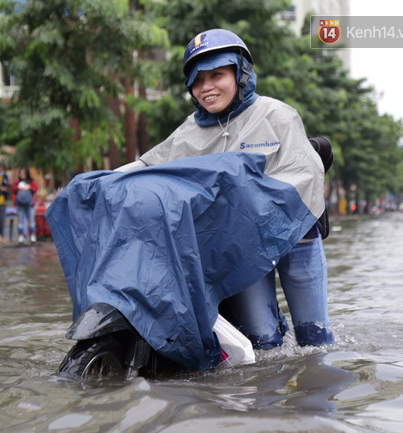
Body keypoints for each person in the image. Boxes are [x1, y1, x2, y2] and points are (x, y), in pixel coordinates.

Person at [118, 28, 334, 348]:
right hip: (242, 249)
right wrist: (103, 180)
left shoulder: (277, 115)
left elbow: (303, 174)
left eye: (216, 74)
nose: (206, 87)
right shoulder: (187, 134)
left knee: (315, 339)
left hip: (297, 238)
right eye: (198, 80)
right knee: (262, 342)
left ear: (241, 72)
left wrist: (252, 199)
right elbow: (150, 166)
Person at [13, 167, 38, 244]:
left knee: (31, 221)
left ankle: (33, 235)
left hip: (29, 204)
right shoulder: (17, 182)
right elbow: (13, 190)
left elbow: (35, 189)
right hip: (20, 204)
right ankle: (21, 236)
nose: (22, 175)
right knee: (20, 221)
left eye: (24, 173)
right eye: (21, 173)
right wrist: (19, 187)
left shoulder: (31, 182)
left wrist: (29, 187)